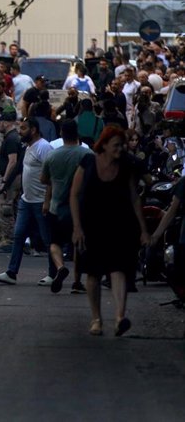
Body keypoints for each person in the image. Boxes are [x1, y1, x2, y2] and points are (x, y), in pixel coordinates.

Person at [70, 126, 149, 336]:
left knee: (118, 270)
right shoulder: (87, 163)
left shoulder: (125, 167)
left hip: (119, 227)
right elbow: (74, 195)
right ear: (103, 145)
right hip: (91, 227)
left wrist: (143, 230)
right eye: (117, 145)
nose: (121, 149)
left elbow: (134, 198)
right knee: (93, 274)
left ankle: (119, 317)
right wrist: (77, 227)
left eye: (123, 145)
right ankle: (96, 319)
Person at [0, 117, 55, 286]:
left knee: (47, 238)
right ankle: (11, 272)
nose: (20, 132)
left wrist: (47, 200)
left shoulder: (43, 147)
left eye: (23, 128)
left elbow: (51, 176)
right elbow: (20, 168)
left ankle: (53, 273)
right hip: (26, 201)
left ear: (33, 130)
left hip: (40, 201)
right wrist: (6, 186)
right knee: (18, 235)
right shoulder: (28, 147)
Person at [42, 120, 90, 294]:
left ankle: (60, 266)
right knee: (78, 245)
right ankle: (77, 282)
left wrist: (47, 200)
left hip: (57, 206)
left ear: (61, 133)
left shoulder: (52, 155)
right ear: (77, 134)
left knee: (54, 242)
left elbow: (44, 179)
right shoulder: (87, 155)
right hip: (80, 208)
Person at [0, 107, 22, 252]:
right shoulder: (13, 136)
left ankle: (9, 240)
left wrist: (4, 181)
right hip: (13, 179)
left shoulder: (11, 138)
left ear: (5, 122)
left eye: (0, 123)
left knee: (5, 209)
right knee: (11, 208)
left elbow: (12, 161)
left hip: (10, 180)